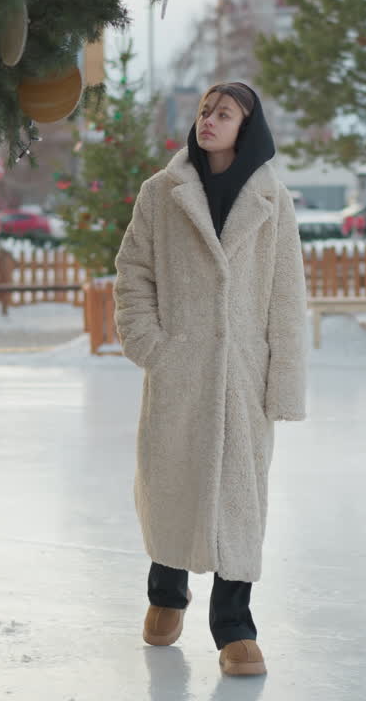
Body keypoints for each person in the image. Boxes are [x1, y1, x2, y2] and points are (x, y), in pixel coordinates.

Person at [112, 82, 308, 676]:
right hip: (181, 371)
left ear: (246, 127)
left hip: (244, 377)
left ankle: (234, 629)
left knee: (239, 501)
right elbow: (132, 274)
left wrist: (283, 385)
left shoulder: (273, 201)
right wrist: (154, 347)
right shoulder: (161, 193)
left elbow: (286, 299)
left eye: (224, 113)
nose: (209, 120)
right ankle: (166, 593)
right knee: (174, 482)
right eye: (204, 111)